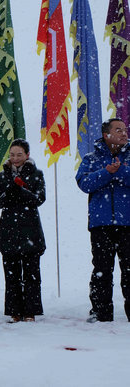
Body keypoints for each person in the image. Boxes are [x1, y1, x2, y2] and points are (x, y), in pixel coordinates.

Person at [76, 118, 130, 323]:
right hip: (101, 224)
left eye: (125, 130)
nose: (124, 134)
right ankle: (101, 312)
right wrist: (106, 172)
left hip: (128, 224)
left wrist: (121, 170)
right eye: (119, 130)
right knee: (101, 270)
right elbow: (84, 183)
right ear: (107, 135)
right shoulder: (92, 158)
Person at [0, 139, 46, 323]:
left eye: (19, 155)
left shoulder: (36, 174)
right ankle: (14, 311)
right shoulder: (2, 175)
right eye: (12, 155)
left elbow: (39, 198)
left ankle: (31, 311)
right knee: (11, 274)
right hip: (9, 230)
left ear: (27, 155)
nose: (15, 158)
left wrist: (22, 190)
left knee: (31, 273)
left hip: (30, 230)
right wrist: (10, 190)